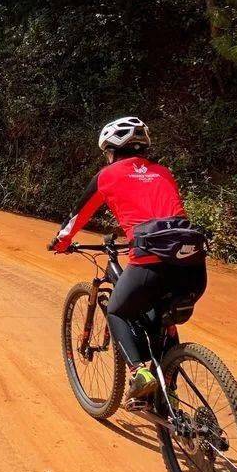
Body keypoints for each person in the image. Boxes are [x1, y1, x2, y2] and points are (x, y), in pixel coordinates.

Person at [48, 116, 207, 402]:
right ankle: (167, 386)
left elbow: (79, 215)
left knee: (118, 310)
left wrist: (61, 242)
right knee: (162, 316)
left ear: (111, 150)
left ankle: (138, 373)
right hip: (193, 266)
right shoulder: (163, 172)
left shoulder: (108, 175)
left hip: (150, 261)